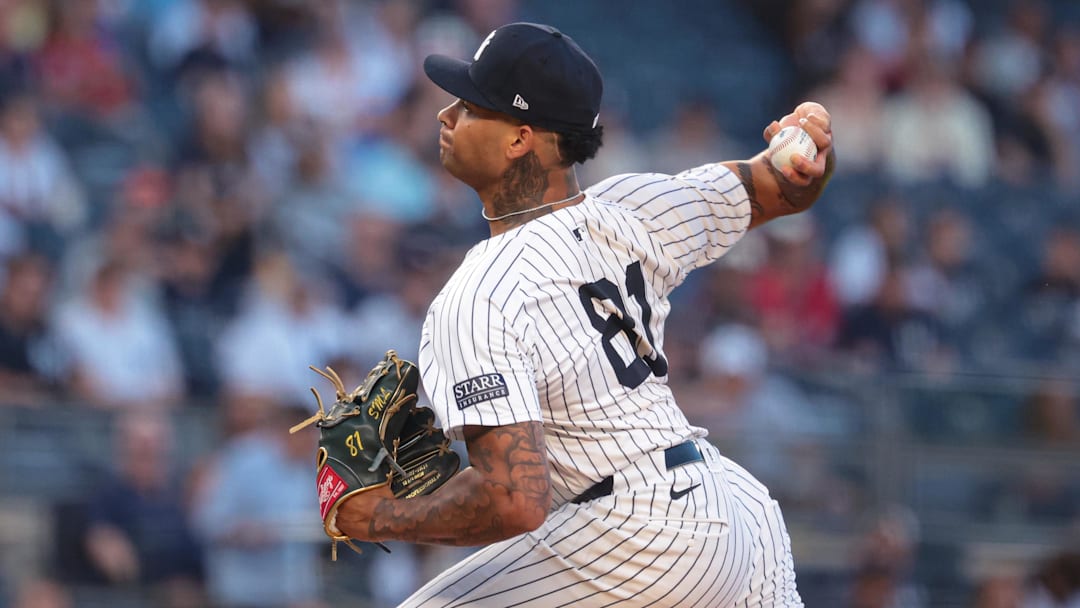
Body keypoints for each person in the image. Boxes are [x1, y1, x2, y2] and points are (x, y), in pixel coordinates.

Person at [326, 22, 834, 606]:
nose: (445, 116)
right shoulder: (635, 209)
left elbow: (515, 500)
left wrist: (375, 515)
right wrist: (813, 148)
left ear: (520, 138)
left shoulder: (481, 292)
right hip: (730, 511)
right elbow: (784, 185)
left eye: (469, 106)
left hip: (636, 539)